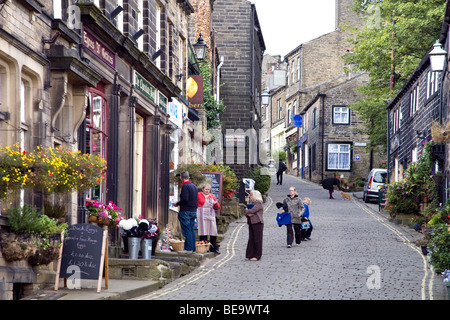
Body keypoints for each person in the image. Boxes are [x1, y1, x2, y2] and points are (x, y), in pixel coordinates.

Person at [174, 171, 198, 252]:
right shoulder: (194, 186)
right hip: (193, 211)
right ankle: (192, 248)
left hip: (186, 212)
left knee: (187, 231)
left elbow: (185, 199)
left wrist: (177, 203)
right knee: (191, 230)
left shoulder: (185, 187)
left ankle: (188, 249)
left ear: (181, 178)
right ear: (189, 177)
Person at [197, 183, 221, 254]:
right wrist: (207, 199)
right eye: (206, 189)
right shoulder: (199, 195)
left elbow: (217, 207)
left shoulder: (212, 196)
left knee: (213, 231)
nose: (207, 191)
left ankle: (213, 248)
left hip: (211, 215)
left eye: (209, 189)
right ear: (203, 189)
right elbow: (202, 202)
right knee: (203, 232)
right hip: (202, 215)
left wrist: (215, 203)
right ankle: (204, 247)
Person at [245, 190, 264, 261]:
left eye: (251, 195)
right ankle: (249, 255)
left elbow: (252, 211)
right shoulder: (252, 204)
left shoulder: (258, 203)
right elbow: (248, 212)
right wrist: (248, 212)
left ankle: (257, 256)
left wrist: (248, 211)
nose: (250, 196)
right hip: (251, 222)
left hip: (257, 223)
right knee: (251, 239)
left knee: (257, 240)